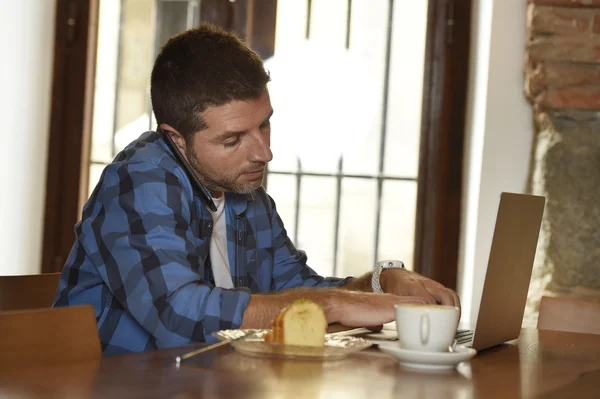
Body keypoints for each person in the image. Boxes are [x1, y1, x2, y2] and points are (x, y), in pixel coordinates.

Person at [53, 23, 459, 355]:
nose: (264, 152)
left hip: (211, 385)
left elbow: (294, 289)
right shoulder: (138, 182)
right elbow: (178, 316)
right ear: (177, 139)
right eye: (233, 140)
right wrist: (331, 304)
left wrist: (382, 281)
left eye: (263, 124)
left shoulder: (244, 190)